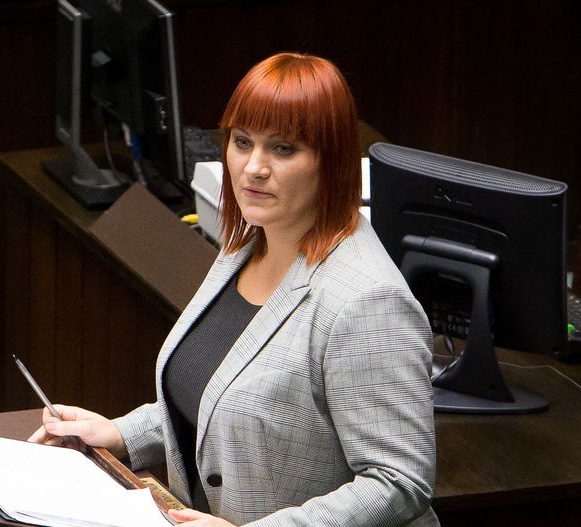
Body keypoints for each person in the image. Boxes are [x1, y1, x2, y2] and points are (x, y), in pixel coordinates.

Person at [28, 52, 438, 527]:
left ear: (331, 160)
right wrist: (121, 434)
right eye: (242, 142)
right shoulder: (248, 242)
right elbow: (220, 399)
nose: (253, 168)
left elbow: (399, 482)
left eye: (283, 149)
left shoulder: (367, 301)